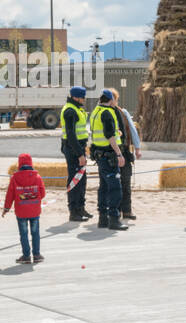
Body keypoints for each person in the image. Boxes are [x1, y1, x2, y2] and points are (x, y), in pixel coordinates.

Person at [89, 90, 128, 230]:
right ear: (111, 100)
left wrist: (117, 133)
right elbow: (109, 136)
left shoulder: (96, 111)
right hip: (109, 155)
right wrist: (119, 154)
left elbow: (102, 132)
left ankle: (103, 218)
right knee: (115, 187)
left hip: (100, 154)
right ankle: (114, 219)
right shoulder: (108, 112)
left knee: (104, 187)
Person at [3, 152, 46, 264]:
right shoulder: (37, 177)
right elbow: (43, 193)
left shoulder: (14, 178)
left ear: (19, 164)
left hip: (21, 211)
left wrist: (6, 208)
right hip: (35, 211)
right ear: (31, 163)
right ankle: (36, 255)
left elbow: (10, 194)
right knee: (35, 233)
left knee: (23, 234)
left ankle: (26, 256)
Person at [59, 86, 91, 222]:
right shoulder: (70, 111)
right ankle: (74, 211)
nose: (84, 99)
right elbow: (71, 135)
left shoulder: (77, 109)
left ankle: (80, 207)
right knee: (74, 180)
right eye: (82, 97)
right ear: (76, 97)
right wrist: (80, 155)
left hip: (79, 148)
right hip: (73, 149)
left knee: (82, 179)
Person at [113, 91, 142, 221]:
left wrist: (137, 148)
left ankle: (126, 210)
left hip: (122, 152)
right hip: (113, 153)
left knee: (124, 182)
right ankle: (118, 210)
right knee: (117, 183)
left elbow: (132, 130)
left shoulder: (122, 112)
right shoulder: (105, 113)